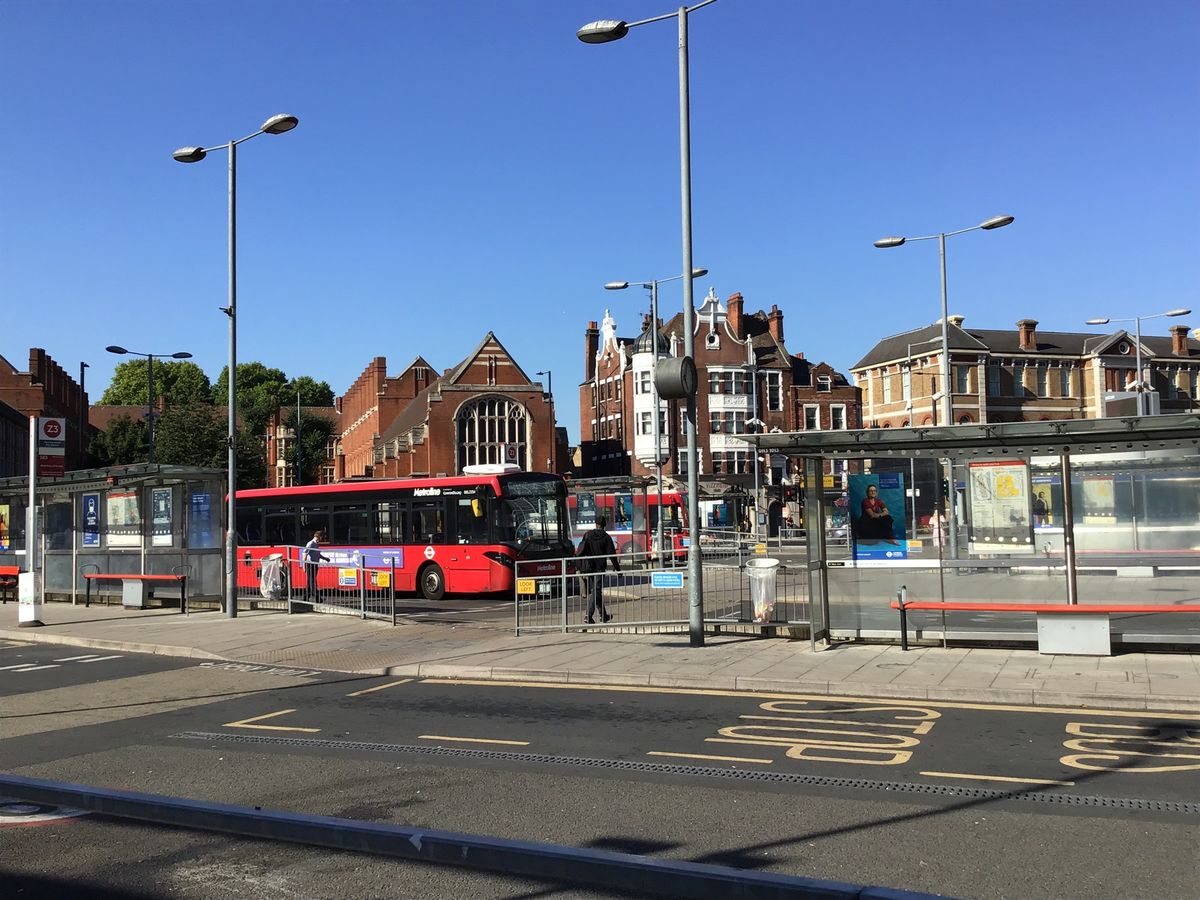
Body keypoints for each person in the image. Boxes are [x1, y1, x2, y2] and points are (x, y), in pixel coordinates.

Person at [576, 515, 620, 625]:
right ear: (604, 525)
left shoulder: (588, 535)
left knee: (596, 591)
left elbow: (581, 550)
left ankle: (603, 615)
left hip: (589, 567)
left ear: (596, 524)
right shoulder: (606, 537)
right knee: (596, 591)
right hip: (600, 568)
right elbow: (612, 555)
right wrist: (618, 569)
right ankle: (588, 615)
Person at [303, 530, 327, 603]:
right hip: (310, 565)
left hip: (315, 565)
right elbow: (305, 554)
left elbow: (317, 554)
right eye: (321, 537)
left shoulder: (316, 544)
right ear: (319, 537)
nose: (322, 539)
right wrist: (304, 566)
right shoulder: (311, 543)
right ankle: (318, 598)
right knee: (313, 581)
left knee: (309, 582)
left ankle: (306, 598)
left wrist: (325, 558)